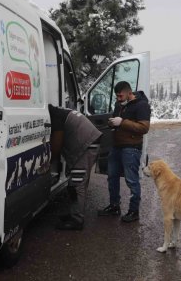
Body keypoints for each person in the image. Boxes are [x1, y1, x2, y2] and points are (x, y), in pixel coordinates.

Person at [97, 81, 151, 223]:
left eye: (120, 96)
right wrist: (112, 122)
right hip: (116, 146)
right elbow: (117, 122)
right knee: (112, 177)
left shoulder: (141, 105)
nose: (118, 98)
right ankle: (114, 206)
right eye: (117, 96)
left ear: (129, 92)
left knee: (132, 180)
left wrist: (122, 122)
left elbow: (144, 128)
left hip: (131, 148)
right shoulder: (119, 104)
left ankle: (134, 211)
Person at [48, 104, 102, 230]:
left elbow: (57, 144)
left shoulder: (55, 116)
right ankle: (74, 213)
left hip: (87, 144)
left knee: (78, 183)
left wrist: (50, 163)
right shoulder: (59, 111)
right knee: (74, 182)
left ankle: (77, 220)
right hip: (89, 141)